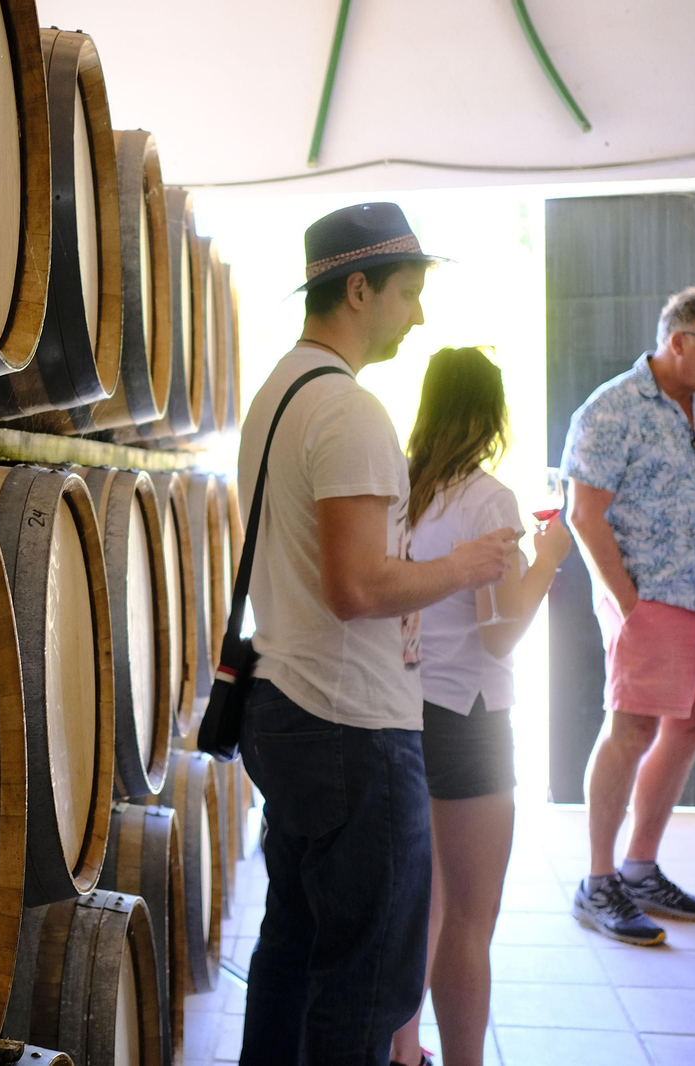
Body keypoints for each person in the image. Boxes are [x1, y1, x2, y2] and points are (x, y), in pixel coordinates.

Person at [235, 204, 518, 1065]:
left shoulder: (277, 392)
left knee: (292, 954)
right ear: (358, 289)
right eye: (408, 292)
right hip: (352, 723)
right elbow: (358, 586)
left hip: (287, 701)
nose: (418, 315)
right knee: (369, 982)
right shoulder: (349, 412)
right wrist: (465, 567)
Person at [563, 287, 695, 945]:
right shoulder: (611, 408)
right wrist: (626, 602)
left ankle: (642, 867)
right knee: (630, 729)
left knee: (692, 724)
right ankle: (598, 882)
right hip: (651, 600)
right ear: (678, 340)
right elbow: (583, 514)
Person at [386, 348, 573, 1066]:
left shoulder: (402, 489)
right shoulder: (487, 499)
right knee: (471, 914)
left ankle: (405, 1053)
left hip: (407, 707)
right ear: (493, 416)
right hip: (471, 715)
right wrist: (552, 556)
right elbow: (500, 637)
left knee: (419, 903)